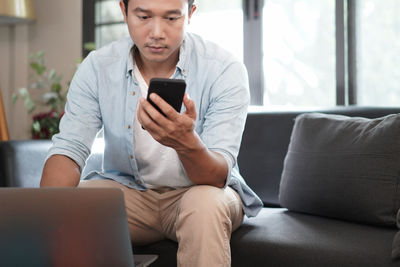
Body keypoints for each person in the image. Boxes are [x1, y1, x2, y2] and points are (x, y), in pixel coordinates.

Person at [40, 0, 263, 266]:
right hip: (129, 195)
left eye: (171, 18)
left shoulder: (224, 69)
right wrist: (44, 213)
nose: (156, 32)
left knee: (205, 204)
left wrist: (186, 143)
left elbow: (215, 176)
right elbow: (70, 148)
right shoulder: (98, 67)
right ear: (124, 11)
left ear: (190, 15)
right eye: (143, 16)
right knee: (72, 205)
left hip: (199, 193)